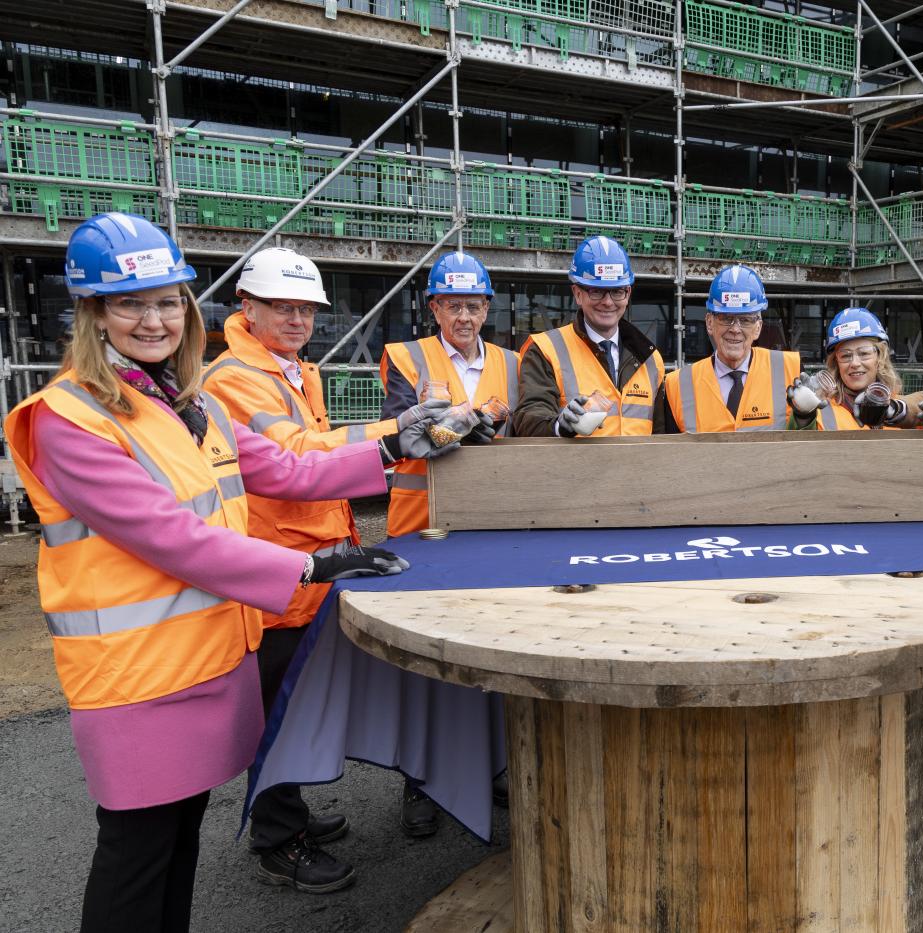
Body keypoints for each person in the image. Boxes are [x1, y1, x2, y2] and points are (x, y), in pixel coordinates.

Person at [4, 213, 461, 931]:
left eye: (165, 302)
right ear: (92, 314)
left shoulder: (184, 401)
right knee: (135, 854)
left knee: (175, 844)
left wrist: (390, 445)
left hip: (202, 660)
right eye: (129, 303)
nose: (152, 320)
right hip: (134, 678)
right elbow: (171, 538)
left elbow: (285, 467)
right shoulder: (69, 418)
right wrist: (311, 563)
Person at [203, 246, 434, 892]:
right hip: (278, 574)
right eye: (283, 306)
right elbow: (296, 457)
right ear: (245, 307)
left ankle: (289, 816)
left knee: (294, 703)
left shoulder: (295, 371)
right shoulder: (234, 379)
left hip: (308, 567)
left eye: (306, 308)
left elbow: (318, 456)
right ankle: (280, 840)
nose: (298, 318)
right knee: (277, 712)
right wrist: (394, 431)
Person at [380, 250, 515, 537]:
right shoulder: (406, 357)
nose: (464, 317)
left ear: (486, 309)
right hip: (421, 518)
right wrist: (461, 430)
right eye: (454, 306)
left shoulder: (513, 362)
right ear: (434, 308)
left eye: (473, 307)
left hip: (494, 513)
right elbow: (397, 429)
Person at [510, 235, 665, 437]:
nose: (608, 302)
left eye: (617, 291)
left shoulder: (651, 359)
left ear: (627, 293)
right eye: (597, 291)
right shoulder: (545, 350)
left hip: (637, 469)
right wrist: (560, 426)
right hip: (577, 469)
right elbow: (529, 420)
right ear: (577, 293)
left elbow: (662, 437)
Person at [658, 265, 799, 432]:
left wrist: (807, 417)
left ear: (758, 327)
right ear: (710, 323)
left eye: (745, 320)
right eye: (726, 318)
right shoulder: (676, 386)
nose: (735, 329)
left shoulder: (791, 370)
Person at [788, 307, 923, 430]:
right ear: (836, 362)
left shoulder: (901, 410)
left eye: (864, 353)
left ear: (880, 357)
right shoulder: (820, 412)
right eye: (845, 356)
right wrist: (802, 417)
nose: (855, 363)